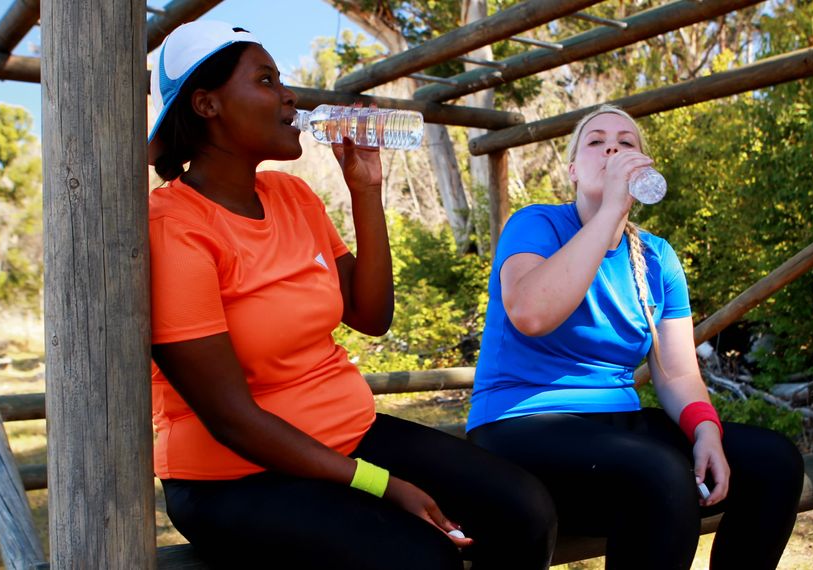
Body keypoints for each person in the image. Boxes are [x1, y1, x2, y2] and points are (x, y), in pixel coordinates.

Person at [146, 20, 555, 570]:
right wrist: (381, 485)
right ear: (206, 105)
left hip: (351, 435)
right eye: (266, 80)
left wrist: (366, 190)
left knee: (524, 510)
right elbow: (231, 419)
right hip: (233, 475)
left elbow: (370, 315)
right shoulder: (175, 227)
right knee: (421, 559)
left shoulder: (292, 195)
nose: (289, 95)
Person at [466, 105, 804, 569]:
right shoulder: (536, 224)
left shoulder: (657, 257)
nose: (613, 147)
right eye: (596, 140)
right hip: (520, 421)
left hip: (618, 428)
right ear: (572, 169)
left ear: (643, 167)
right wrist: (610, 213)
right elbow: (530, 312)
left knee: (774, 462)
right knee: (661, 473)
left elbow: (679, 372)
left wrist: (706, 430)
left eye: (627, 143)